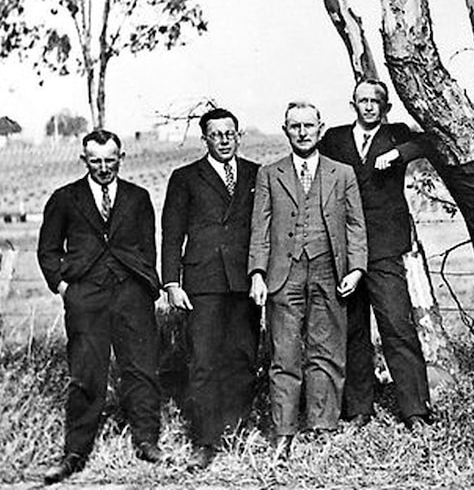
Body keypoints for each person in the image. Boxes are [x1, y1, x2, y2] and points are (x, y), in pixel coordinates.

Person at [37, 130, 163, 484]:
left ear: (122, 157)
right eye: (96, 161)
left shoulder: (138, 198)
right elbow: (48, 250)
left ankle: (146, 440)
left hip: (131, 296)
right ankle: (75, 452)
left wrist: (145, 286)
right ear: (84, 160)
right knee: (86, 374)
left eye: (111, 160)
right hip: (85, 298)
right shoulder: (65, 198)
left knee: (140, 369)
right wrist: (64, 288)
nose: (104, 167)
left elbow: (147, 247)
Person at [248, 101, 367, 458]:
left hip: (330, 271)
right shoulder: (270, 174)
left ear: (320, 128)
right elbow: (260, 229)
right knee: (284, 354)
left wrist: (357, 269)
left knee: (327, 350)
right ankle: (284, 430)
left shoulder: (342, 173)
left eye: (308, 125)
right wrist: (257, 273)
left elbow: (355, 225)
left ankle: (322, 426)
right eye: (295, 126)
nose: (302, 132)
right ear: (285, 130)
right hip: (284, 274)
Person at [319, 78, 432, 428]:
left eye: (375, 101)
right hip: (345, 250)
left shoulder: (397, 133)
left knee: (397, 326)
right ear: (353, 105)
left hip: (384, 249)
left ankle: (415, 410)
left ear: (386, 107)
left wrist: (398, 154)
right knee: (353, 330)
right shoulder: (335, 139)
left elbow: (429, 142)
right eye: (362, 100)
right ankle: (358, 410)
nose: (368, 106)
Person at [161, 108, 260, 470]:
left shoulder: (255, 174)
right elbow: (172, 233)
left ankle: (235, 432)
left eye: (229, 133)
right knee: (203, 362)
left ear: (238, 135)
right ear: (205, 138)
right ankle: (205, 441)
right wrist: (171, 282)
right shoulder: (185, 177)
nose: (223, 140)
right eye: (215, 134)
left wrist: (261, 275)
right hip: (202, 284)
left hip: (245, 283)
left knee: (243, 359)